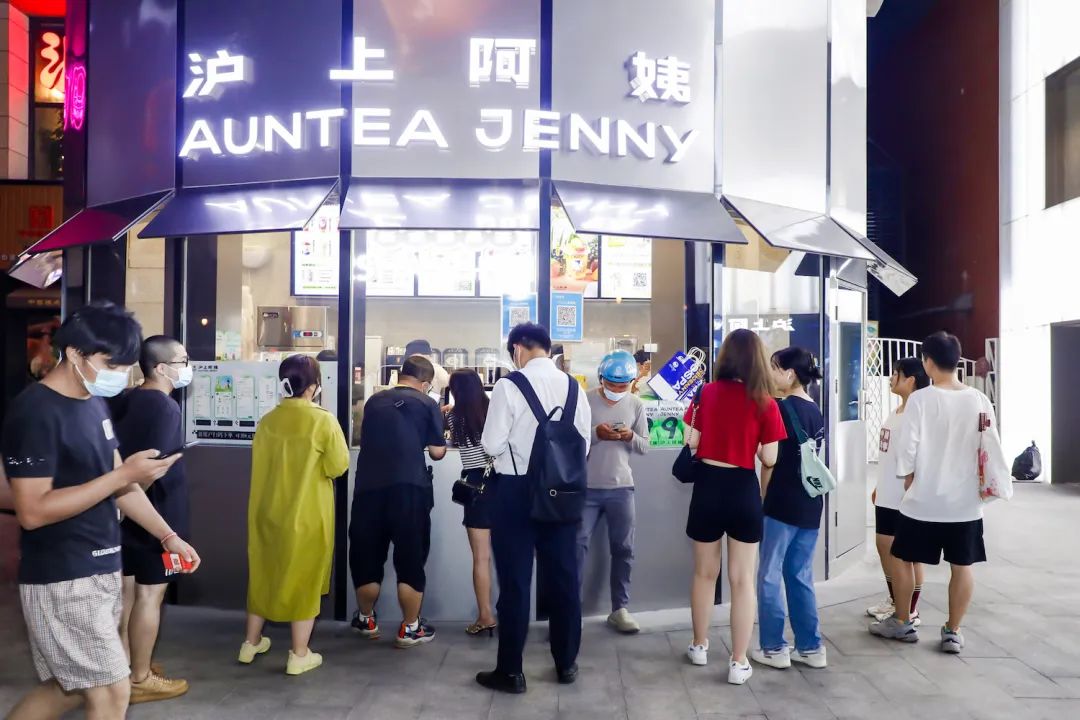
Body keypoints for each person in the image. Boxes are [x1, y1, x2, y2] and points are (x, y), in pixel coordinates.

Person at [3, 302, 199, 720]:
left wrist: (168, 535)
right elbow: (33, 510)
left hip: (102, 567)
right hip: (63, 574)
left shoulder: (93, 403)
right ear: (75, 354)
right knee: (112, 690)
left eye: (126, 366)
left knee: (70, 689)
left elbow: (122, 484)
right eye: (112, 364)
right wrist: (122, 475)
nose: (121, 375)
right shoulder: (36, 411)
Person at [476, 322, 592, 694]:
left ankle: (511, 672)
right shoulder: (574, 388)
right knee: (564, 580)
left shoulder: (509, 386)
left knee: (515, 584)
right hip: (563, 493)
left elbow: (491, 444)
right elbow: (584, 445)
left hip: (516, 492)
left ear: (518, 349)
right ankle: (566, 663)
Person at [870, 332, 995, 653]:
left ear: (927, 362)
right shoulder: (978, 399)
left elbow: (908, 449)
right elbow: (988, 445)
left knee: (902, 557)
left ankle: (903, 621)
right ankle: (953, 631)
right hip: (965, 503)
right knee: (962, 565)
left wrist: (908, 479)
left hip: (922, 501)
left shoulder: (921, 400)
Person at [683, 329, 785, 685]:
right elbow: (770, 457)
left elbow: (691, 441)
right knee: (742, 580)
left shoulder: (706, 393)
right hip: (743, 490)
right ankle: (738, 662)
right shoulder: (766, 402)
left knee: (704, 573)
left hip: (708, 488)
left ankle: (699, 645)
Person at [242, 354, 349, 676]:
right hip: (305, 516)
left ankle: (250, 643)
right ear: (314, 386)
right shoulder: (323, 421)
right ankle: (299, 654)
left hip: (265, 512)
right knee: (304, 579)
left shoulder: (268, 420)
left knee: (263, 575)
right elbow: (338, 466)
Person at [115, 336, 194, 704]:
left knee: (128, 593)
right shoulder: (165, 407)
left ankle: (127, 667)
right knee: (150, 594)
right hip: (153, 515)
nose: (187, 367)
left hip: (126, 515)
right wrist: (148, 517)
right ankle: (140, 678)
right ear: (161, 368)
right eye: (182, 361)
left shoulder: (129, 398)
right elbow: (152, 469)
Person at [350, 355, 447, 647]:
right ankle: (410, 628)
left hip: (368, 488)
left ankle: (366, 619)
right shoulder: (428, 404)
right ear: (426, 383)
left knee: (367, 557)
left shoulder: (373, 402)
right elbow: (437, 452)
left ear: (400, 375)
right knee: (410, 559)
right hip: (409, 489)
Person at [751, 347, 827, 671]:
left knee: (769, 574)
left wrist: (763, 498)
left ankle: (774, 647)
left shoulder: (779, 408)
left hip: (782, 502)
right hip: (811, 502)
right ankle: (811, 648)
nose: (770, 373)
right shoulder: (815, 409)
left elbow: (770, 460)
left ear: (790, 373)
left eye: (775, 367)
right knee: (800, 575)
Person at [578, 350, 648, 634]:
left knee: (624, 549)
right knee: (576, 548)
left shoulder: (636, 404)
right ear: (601, 379)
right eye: (612, 385)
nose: (618, 391)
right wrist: (598, 434)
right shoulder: (585, 400)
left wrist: (630, 436)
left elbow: (645, 445)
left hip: (622, 488)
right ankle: (571, 609)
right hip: (586, 489)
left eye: (623, 386)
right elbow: (574, 439)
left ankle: (620, 608)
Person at [866, 357, 930, 624]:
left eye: (896, 373)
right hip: (887, 493)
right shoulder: (898, 411)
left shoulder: (919, 414)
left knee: (907, 555)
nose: (891, 378)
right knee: (885, 547)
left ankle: (909, 609)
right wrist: (879, 485)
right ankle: (896, 601)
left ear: (910, 379)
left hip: (904, 495)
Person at [446, 369, 498, 637]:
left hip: (476, 487)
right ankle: (512, 612)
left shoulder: (454, 416)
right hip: (503, 484)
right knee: (510, 555)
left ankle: (485, 616)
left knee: (481, 558)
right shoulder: (494, 410)